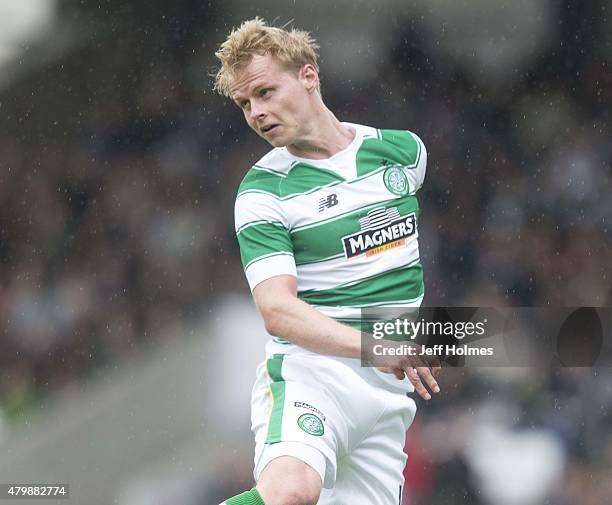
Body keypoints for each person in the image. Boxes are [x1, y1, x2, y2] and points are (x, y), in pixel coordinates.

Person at [214, 18, 440, 505]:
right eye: (246, 104)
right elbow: (277, 311)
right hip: (313, 373)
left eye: (266, 92)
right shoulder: (262, 193)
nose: (257, 113)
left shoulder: (403, 152)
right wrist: (371, 344)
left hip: (386, 393)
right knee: (289, 493)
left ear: (309, 77)